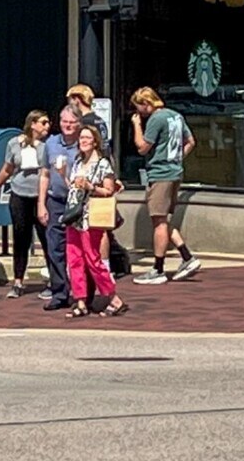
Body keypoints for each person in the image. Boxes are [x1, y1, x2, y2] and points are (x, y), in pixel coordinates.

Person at [128, 86, 201, 285]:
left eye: (139, 107)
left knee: (158, 221)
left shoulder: (156, 119)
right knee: (163, 219)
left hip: (160, 174)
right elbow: (191, 141)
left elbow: (143, 147)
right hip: (175, 172)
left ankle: (158, 269)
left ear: (146, 103)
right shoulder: (176, 116)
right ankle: (187, 257)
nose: (139, 112)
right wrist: (176, 160)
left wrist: (136, 125)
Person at [62, 121, 127, 317]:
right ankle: (80, 300)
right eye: (81, 138)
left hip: (91, 216)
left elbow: (109, 190)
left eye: (87, 138)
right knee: (74, 259)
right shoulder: (77, 162)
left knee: (93, 259)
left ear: (95, 142)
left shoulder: (102, 164)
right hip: (74, 216)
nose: (83, 141)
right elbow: (74, 188)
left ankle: (113, 298)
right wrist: (63, 176)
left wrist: (91, 186)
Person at [0, 110, 50, 296]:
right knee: (21, 237)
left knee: (47, 238)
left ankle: (53, 279)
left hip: (40, 197)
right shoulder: (14, 144)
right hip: (19, 194)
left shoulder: (47, 146)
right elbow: (8, 168)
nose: (47, 126)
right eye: (43, 122)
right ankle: (18, 281)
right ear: (32, 124)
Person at [37, 105, 85, 312]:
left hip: (78, 202)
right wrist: (41, 204)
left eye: (72, 122)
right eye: (65, 121)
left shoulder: (84, 144)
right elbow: (44, 174)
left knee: (80, 249)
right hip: (55, 201)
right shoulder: (51, 143)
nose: (68, 125)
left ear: (79, 124)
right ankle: (59, 292)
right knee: (54, 247)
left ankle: (83, 292)